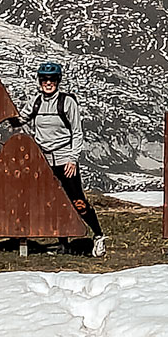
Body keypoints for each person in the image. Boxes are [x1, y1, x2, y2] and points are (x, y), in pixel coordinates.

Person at [20, 61, 107, 256]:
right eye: (44, 79)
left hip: (64, 160)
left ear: (57, 81)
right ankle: (63, 244)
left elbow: (77, 133)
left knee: (77, 201)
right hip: (44, 162)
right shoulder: (35, 102)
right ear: (39, 81)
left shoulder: (67, 102)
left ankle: (98, 235)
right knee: (55, 202)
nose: (48, 83)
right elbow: (20, 119)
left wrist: (72, 159)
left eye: (51, 79)